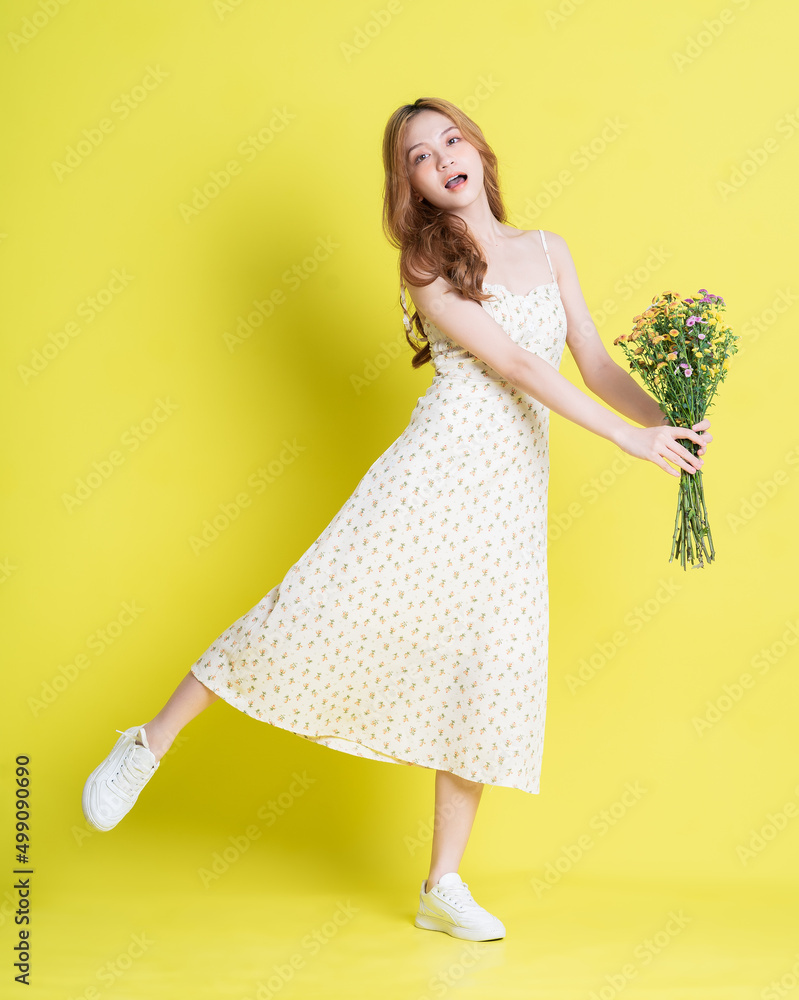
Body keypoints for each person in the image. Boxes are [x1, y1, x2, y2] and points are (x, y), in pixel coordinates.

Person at [81, 97, 712, 943]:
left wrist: (666, 416)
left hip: (510, 499)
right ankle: (147, 743)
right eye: (419, 154)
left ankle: (441, 885)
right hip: (433, 476)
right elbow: (520, 364)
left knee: (489, 673)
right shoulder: (425, 263)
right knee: (308, 611)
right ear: (409, 185)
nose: (442, 156)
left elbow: (591, 362)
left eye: (450, 138)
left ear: (479, 149)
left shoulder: (549, 250)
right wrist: (630, 444)